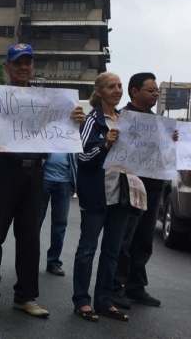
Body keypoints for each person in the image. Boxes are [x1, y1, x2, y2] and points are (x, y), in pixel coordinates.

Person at [0, 43, 85, 318]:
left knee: (29, 237)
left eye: (28, 63)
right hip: (3, 169)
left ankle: (26, 297)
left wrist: (75, 120)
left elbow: (62, 131)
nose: (24, 67)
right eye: (18, 63)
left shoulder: (46, 100)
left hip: (36, 172)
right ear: (7, 67)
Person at [72, 72, 145, 322]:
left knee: (112, 251)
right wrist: (105, 144)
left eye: (120, 86)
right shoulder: (92, 120)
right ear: (99, 91)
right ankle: (82, 301)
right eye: (112, 87)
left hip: (121, 195)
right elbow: (82, 157)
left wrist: (167, 141)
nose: (117, 90)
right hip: (96, 194)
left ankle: (104, 300)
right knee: (87, 249)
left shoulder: (126, 120)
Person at [112, 73, 177, 308]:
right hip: (129, 186)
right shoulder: (122, 117)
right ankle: (116, 286)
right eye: (151, 90)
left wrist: (172, 140)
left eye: (156, 91)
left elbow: (167, 154)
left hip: (153, 186)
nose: (155, 94)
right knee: (124, 239)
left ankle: (136, 286)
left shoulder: (159, 123)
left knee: (144, 238)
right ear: (134, 91)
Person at [38, 152, 78, 277]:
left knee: (60, 224)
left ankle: (54, 262)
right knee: (35, 221)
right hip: (43, 178)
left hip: (64, 182)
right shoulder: (44, 131)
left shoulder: (74, 132)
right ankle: (29, 259)